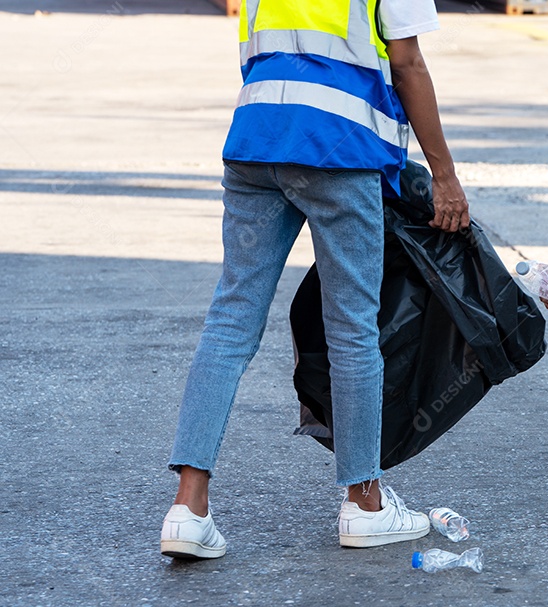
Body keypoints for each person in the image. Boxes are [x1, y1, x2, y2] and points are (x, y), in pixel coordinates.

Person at [160, 0, 469, 558]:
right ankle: (364, 503)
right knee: (352, 327)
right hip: (338, 147)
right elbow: (407, 65)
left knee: (230, 320)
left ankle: (188, 507)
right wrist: (443, 173)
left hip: (256, 141)